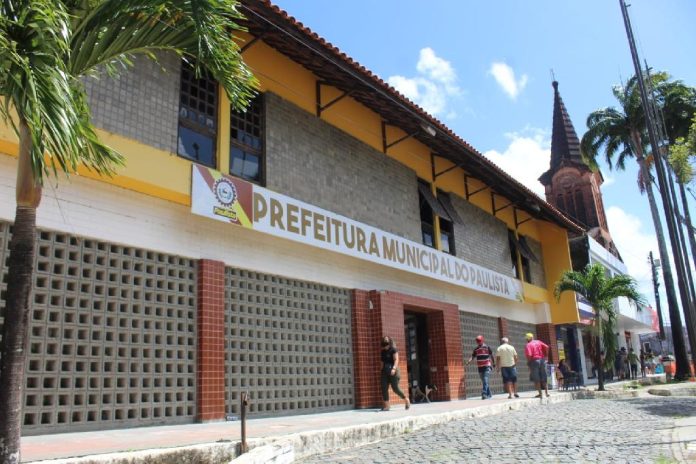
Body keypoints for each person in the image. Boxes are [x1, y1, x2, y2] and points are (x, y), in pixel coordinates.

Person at [379, 336, 410, 411]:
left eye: (386, 342)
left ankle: (406, 399)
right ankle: (387, 406)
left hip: (393, 371)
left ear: (389, 342)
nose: (385, 345)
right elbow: (382, 362)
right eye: (384, 342)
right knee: (384, 388)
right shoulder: (383, 352)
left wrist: (394, 369)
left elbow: (396, 360)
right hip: (385, 371)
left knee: (395, 388)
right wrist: (381, 370)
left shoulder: (393, 349)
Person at [466, 335, 496, 400]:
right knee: (484, 381)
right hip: (480, 367)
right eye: (477, 341)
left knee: (485, 380)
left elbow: (491, 355)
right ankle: (489, 394)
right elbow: (473, 356)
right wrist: (469, 361)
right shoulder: (476, 349)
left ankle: (484, 394)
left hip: (487, 366)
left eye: (479, 341)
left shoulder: (487, 347)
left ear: (482, 340)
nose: (478, 342)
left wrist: (493, 363)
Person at [524, 333, 549, 398]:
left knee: (536, 378)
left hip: (534, 361)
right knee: (544, 376)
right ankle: (546, 393)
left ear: (528, 339)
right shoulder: (538, 342)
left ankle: (540, 394)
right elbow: (546, 347)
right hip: (542, 360)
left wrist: (529, 363)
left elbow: (529, 355)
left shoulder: (528, 345)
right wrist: (546, 356)